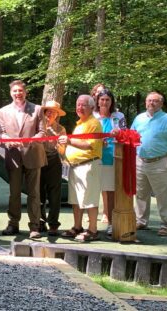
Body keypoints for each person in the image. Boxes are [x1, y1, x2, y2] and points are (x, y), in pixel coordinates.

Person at [0, 80, 47, 239]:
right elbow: (2, 132)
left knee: (34, 193)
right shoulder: (3, 111)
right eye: (15, 91)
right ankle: (13, 224)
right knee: (14, 193)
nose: (18, 94)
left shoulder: (37, 109)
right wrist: (7, 139)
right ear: (11, 93)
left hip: (33, 155)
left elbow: (42, 132)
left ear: (25, 92)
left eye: (20, 91)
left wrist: (30, 141)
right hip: (13, 156)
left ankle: (34, 226)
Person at [131, 91, 167, 236]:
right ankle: (141, 221)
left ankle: (166, 226)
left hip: (160, 162)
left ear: (161, 103)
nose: (151, 103)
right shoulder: (139, 118)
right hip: (140, 161)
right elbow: (131, 136)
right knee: (141, 194)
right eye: (149, 100)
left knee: (163, 196)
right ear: (145, 102)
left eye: (155, 101)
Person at [59, 95, 103, 242]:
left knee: (89, 199)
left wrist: (70, 140)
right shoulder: (80, 124)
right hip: (75, 167)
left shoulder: (94, 123)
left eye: (84, 105)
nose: (80, 107)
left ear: (92, 107)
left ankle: (92, 230)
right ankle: (77, 226)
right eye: (78, 104)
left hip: (88, 165)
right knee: (75, 199)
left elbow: (90, 145)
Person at [93, 89, 127, 235]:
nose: (104, 102)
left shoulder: (118, 116)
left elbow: (126, 134)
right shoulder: (92, 116)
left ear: (112, 101)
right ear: (97, 101)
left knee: (110, 190)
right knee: (93, 189)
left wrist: (118, 134)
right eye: (102, 99)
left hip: (112, 157)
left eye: (107, 99)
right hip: (94, 157)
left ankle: (112, 224)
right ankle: (91, 225)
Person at [39, 101, 67, 236]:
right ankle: (39, 221)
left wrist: (57, 142)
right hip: (38, 160)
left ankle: (53, 224)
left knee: (54, 194)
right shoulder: (37, 127)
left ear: (57, 115)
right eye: (48, 111)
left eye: (53, 112)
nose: (50, 114)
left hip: (54, 161)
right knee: (38, 193)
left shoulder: (61, 129)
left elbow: (62, 152)